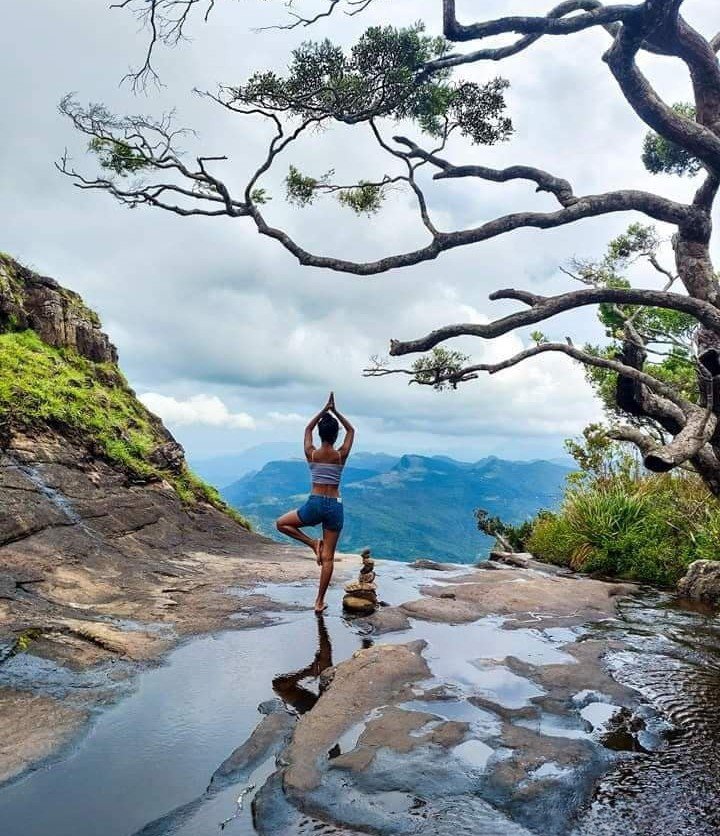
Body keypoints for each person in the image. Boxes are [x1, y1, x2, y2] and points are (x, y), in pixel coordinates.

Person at [275, 392, 355, 613]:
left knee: (281, 524)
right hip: (335, 505)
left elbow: (307, 430)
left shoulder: (311, 454)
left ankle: (312, 544)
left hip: (315, 503)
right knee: (328, 558)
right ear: (336, 434)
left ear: (320, 433)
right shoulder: (341, 455)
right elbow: (351, 430)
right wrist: (336, 411)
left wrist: (324, 409)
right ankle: (319, 601)